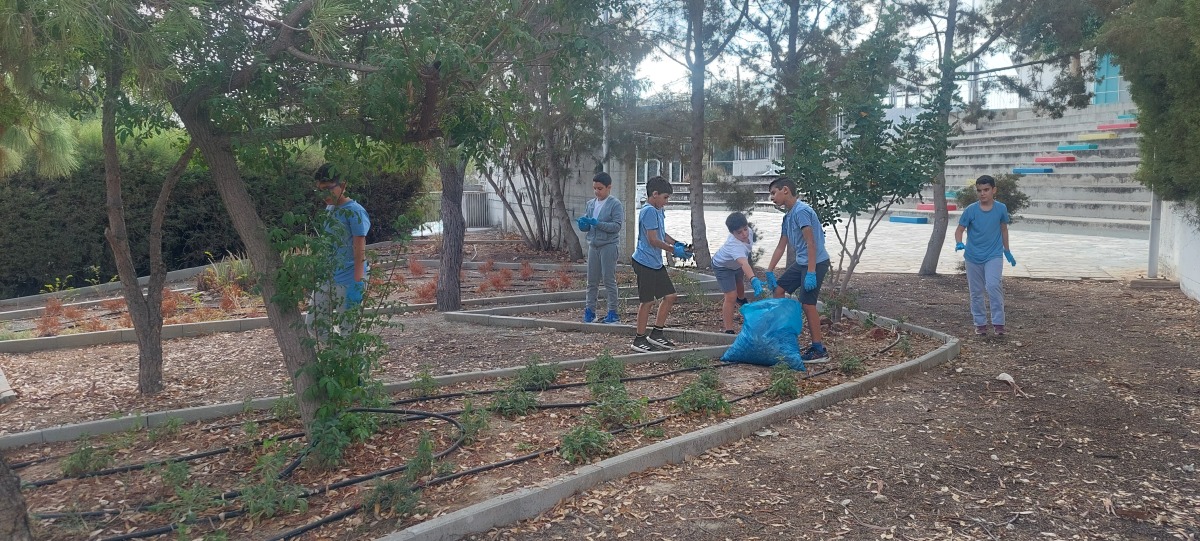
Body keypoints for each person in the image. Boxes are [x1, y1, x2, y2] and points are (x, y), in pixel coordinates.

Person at [764, 176, 832, 363]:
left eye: (773, 193)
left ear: (785, 190)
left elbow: (811, 243)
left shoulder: (802, 211)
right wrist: (769, 270)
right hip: (802, 262)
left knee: (808, 304)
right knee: (778, 290)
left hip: (816, 263)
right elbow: (781, 246)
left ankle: (819, 350)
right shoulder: (787, 217)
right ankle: (783, 336)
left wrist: (811, 272)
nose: (772, 198)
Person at [306, 163, 371, 332]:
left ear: (342, 185)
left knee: (349, 332)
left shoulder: (355, 211)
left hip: (349, 280)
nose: (324, 195)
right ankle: (334, 350)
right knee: (314, 326)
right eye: (319, 190)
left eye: (327, 189)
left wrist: (357, 283)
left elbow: (359, 249)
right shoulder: (329, 209)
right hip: (327, 278)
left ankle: (347, 351)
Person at [630, 175, 691, 352]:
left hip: (655, 263)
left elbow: (662, 234)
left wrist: (678, 244)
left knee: (670, 296)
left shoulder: (658, 210)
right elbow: (653, 240)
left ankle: (657, 333)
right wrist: (673, 250)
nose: (666, 201)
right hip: (644, 262)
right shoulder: (648, 211)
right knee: (647, 302)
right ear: (655, 194)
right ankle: (639, 339)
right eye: (665, 197)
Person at [955, 174, 1016, 336]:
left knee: (993, 285)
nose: (982, 193)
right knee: (976, 292)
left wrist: (1007, 250)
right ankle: (980, 323)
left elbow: (1003, 229)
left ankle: (998, 323)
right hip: (973, 256)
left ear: (994, 190)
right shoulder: (971, 210)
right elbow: (960, 229)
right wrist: (959, 242)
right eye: (979, 190)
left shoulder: (1001, 208)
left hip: (993, 255)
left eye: (986, 190)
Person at [577, 172, 624, 324]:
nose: (597, 191)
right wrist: (584, 225)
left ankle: (613, 312)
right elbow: (588, 225)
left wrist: (598, 223)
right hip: (593, 245)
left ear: (609, 187)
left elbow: (616, 226)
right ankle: (590, 311)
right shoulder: (591, 204)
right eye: (595, 188)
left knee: (609, 279)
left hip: (608, 245)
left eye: (600, 188)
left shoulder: (615, 204)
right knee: (592, 281)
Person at [711, 211, 764, 334]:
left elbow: (744, 260)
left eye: (745, 229)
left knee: (739, 284)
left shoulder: (749, 232)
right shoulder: (734, 246)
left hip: (736, 264)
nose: (744, 234)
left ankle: (741, 301)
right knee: (730, 296)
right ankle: (728, 329)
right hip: (722, 266)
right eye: (739, 232)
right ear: (732, 233)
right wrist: (753, 279)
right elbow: (744, 263)